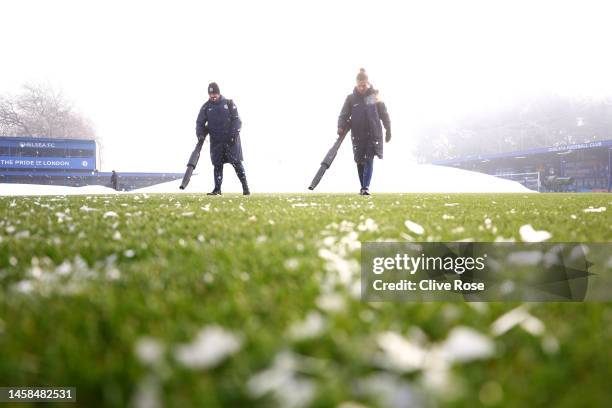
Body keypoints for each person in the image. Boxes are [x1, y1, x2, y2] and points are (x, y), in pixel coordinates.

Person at [338, 68, 391, 195]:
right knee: (359, 161)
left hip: (373, 134)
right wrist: (340, 126)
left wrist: (388, 128)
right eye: (359, 85)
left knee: (368, 159)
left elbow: (384, 114)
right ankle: (363, 186)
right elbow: (343, 115)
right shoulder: (351, 99)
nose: (362, 88)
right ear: (356, 84)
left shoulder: (374, 96)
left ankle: (366, 187)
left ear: (368, 83)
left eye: (364, 85)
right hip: (357, 135)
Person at [195, 82, 250, 195]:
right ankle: (217, 189)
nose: (213, 96)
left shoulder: (229, 104)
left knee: (237, 164)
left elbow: (237, 121)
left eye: (215, 93)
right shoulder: (206, 107)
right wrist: (200, 135)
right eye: (211, 94)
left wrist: (233, 135)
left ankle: (246, 188)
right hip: (216, 142)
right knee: (217, 165)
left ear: (219, 93)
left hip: (231, 141)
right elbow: (199, 123)